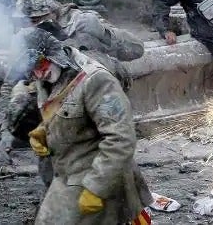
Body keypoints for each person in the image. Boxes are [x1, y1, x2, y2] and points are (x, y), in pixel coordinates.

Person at [0, 0, 144, 168]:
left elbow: (136, 50)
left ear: (51, 11)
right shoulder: (25, 37)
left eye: (38, 19)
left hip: (97, 96)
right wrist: (6, 131)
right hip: (57, 108)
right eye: (28, 21)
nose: (34, 26)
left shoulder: (79, 22)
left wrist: (104, 34)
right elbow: (10, 83)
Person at [15, 28, 153, 224]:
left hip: (98, 180)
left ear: (54, 54)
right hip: (66, 177)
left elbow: (121, 138)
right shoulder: (46, 79)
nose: (39, 73)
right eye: (31, 70)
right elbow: (67, 117)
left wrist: (97, 187)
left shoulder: (95, 80)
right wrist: (46, 132)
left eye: (40, 64)